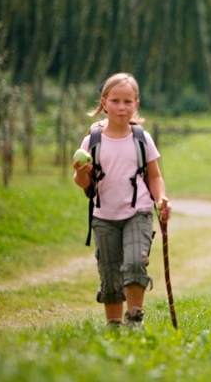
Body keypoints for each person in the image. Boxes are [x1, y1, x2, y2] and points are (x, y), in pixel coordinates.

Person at [73, 72, 170, 327]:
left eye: (128, 101)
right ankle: (114, 325)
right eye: (115, 101)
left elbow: (154, 176)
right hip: (104, 217)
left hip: (138, 213)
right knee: (109, 272)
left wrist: (161, 199)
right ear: (104, 103)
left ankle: (134, 320)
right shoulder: (92, 141)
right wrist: (80, 174)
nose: (121, 107)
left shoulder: (142, 139)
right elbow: (85, 186)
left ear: (136, 105)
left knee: (136, 262)